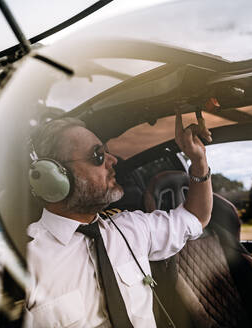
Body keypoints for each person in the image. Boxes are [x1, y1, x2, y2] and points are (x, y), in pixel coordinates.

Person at [25, 111, 213, 327]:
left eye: (107, 152)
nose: (113, 160)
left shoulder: (130, 228)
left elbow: (195, 217)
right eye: (98, 155)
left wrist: (199, 160)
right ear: (52, 176)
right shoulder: (21, 263)